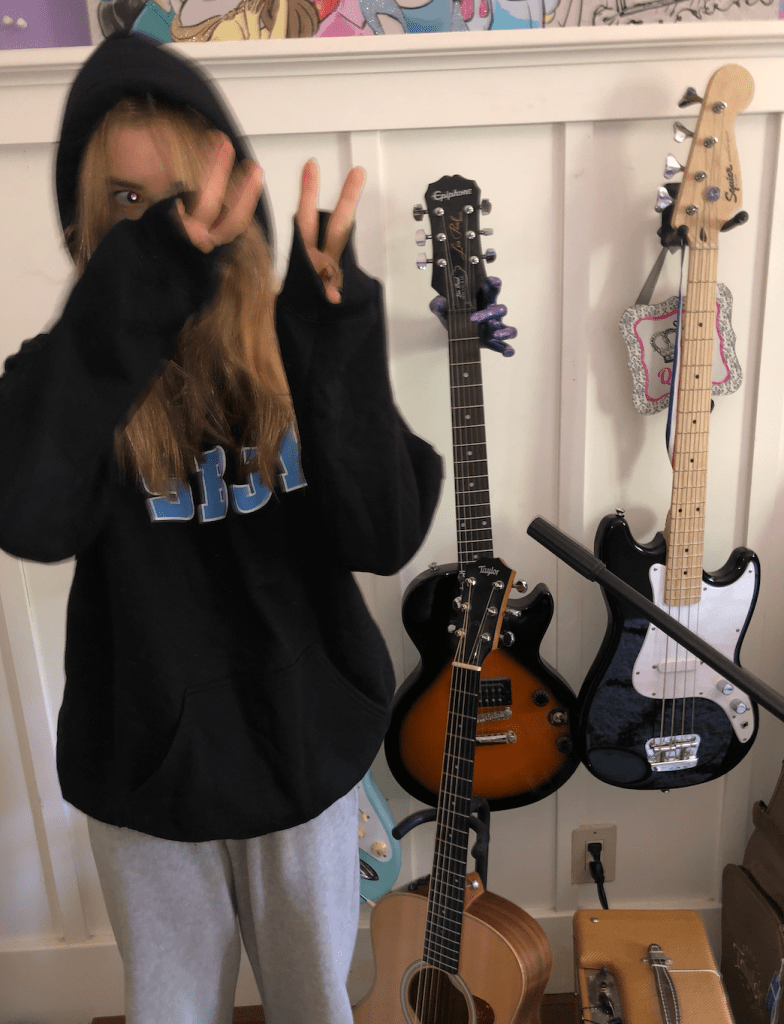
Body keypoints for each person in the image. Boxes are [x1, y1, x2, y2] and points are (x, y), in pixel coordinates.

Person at [0, 32, 442, 1024]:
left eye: (184, 191)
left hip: (305, 760)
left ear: (234, 190)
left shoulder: (300, 343)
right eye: (127, 200)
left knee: (316, 1004)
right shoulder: (69, 379)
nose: (170, 225)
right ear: (88, 221)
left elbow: (383, 532)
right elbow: (28, 512)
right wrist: (137, 295)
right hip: (150, 777)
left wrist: (337, 335)